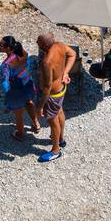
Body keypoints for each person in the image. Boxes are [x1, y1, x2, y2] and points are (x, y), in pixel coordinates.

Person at [35, 33, 76, 163]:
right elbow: (73, 54)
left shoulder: (47, 62)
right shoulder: (60, 45)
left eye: (38, 42)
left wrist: (39, 107)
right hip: (61, 89)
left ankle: (55, 150)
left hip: (52, 95)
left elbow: (46, 88)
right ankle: (61, 139)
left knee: (53, 121)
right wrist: (65, 72)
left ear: (44, 45)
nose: (37, 43)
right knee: (60, 112)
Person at [0, 36, 40, 140]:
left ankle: (20, 134)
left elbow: (5, 82)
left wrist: (8, 95)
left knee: (18, 113)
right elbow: (27, 65)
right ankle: (36, 124)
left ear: (8, 48)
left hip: (17, 89)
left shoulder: (6, 64)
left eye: (1, 45)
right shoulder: (22, 51)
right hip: (28, 84)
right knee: (29, 102)